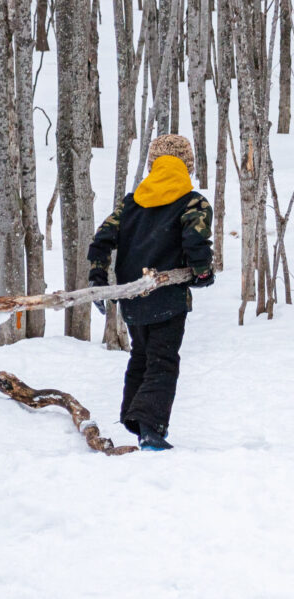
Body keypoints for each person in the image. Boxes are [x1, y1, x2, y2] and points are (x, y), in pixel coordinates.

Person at [87, 134, 214, 451]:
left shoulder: (131, 204)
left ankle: (135, 419)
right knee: (163, 361)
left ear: (153, 165)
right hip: (168, 295)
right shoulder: (192, 202)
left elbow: (101, 239)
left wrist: (97, 278)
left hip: (132, 296)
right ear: (186, 166)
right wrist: (202, 272)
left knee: (141, 355)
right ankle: (150, 429)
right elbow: (195, 240)